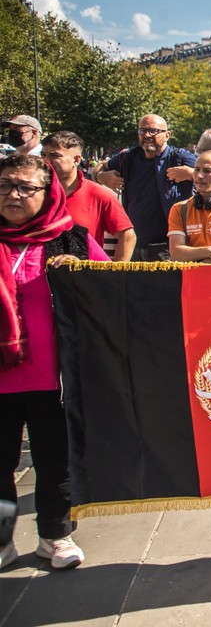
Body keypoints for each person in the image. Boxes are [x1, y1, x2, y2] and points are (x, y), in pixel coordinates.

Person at [0, 154, 108, 571]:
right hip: (2, 381)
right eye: (7, 184)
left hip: (54, 379)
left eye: (26, 187)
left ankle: (55, 537)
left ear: (48, 194)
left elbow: (112, 290)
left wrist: (81, 274)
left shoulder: (72, 239)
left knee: (53, 461)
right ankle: (3, 541)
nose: (14, 194)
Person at [94, 114, 195, 261]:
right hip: (134, 245)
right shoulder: (128, 157)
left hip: (168, 247)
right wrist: (101, 177)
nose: (147, 135)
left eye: (153, 131)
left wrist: (191, 173)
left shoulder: (179, 157)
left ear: (167, 135)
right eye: (142, 131)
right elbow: (98, 168)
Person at [42, 131, 135, 262]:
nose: (46, 161)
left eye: (54, 155)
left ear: (76, 160)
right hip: (38, 277)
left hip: (84, 278)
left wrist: (116, 276)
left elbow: (128, 236)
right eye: (43, 155)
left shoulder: (99, 195)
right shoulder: (34, 192)